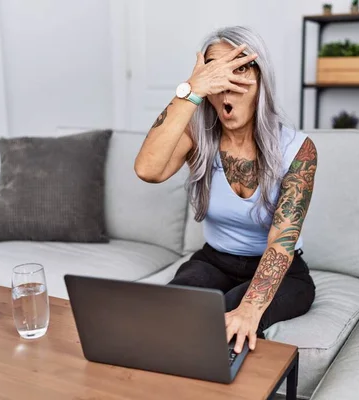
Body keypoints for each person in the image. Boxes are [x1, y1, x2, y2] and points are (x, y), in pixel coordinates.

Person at [134, 26, 316, 355]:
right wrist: (191, 90)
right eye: (216, 72)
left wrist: (249, 309)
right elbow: (148, 169)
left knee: (224, 323)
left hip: (281, 272)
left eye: (240, 69)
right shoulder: (198, 135)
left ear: (261, 81)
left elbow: (281, 243)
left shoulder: (297, 149)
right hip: (214, 261)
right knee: (168, 312)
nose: (226, 85)